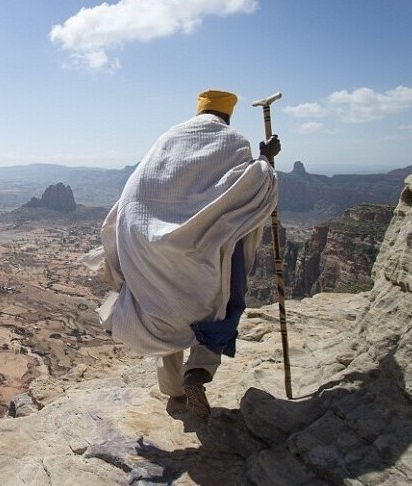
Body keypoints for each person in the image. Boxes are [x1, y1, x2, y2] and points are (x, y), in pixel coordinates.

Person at [92, 89, 280, 419]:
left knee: (163, 302)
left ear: (198, 112)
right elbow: (248, 187)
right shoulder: (233, 141)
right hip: (204, 242)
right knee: (221, 303)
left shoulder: (169, 138)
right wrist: (265, 161)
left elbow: (143, 186)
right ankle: (198, 372)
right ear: (227, 115)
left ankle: (175, 393)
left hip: (150, 241)